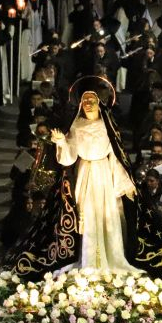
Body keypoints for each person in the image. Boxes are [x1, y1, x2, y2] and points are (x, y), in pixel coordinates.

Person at [51, 90, 138, 271]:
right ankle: (88, 257)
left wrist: (125, 183)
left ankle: (110, 254)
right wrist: (61, 142)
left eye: (92, 100)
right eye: (84, 100)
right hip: (85, 172)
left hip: (103, 172)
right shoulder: (77, 126)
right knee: (87, 213)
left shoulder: (107, 126)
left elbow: (116, 156)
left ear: (99, 104)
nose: (88, 103)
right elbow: (69, 157)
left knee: (106, 213)